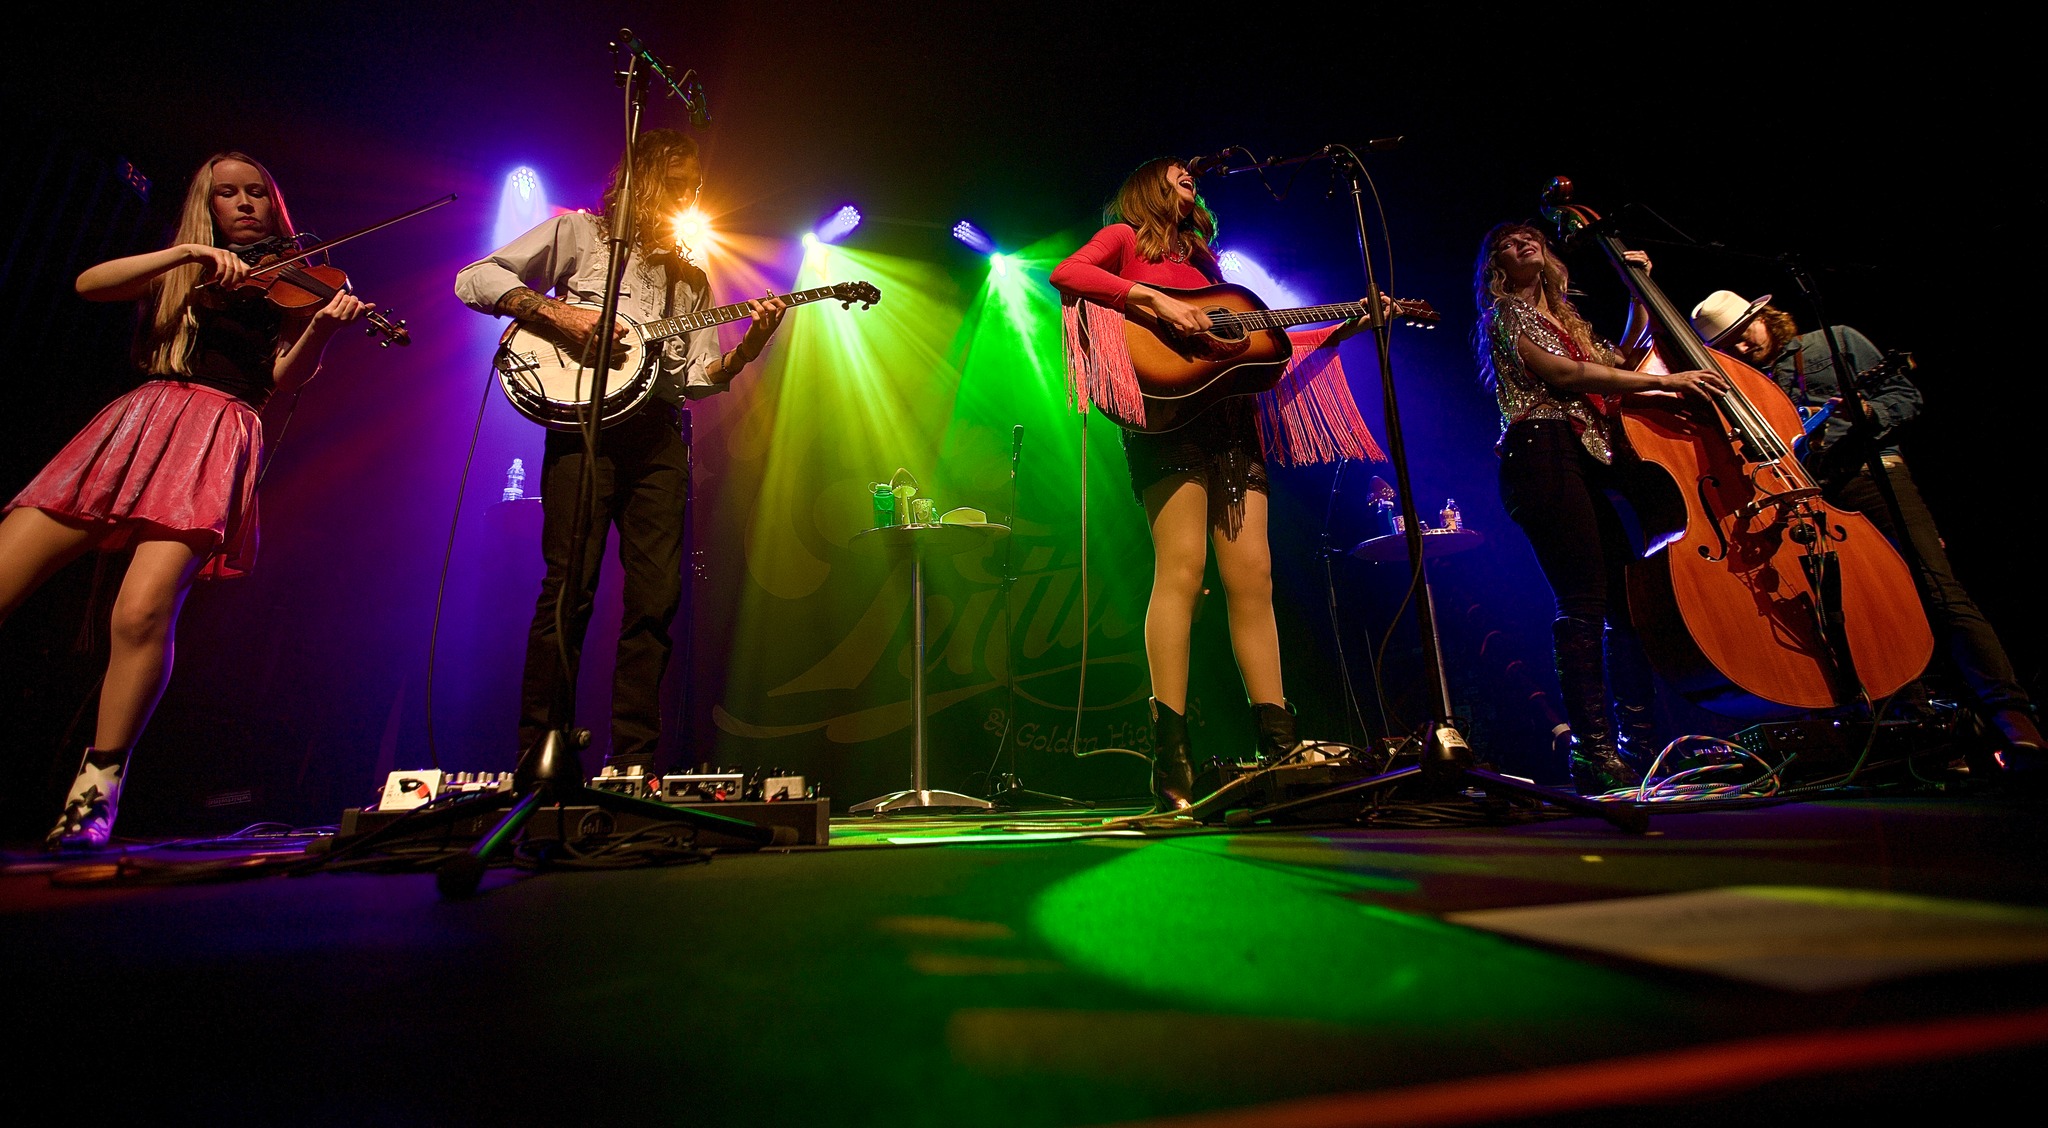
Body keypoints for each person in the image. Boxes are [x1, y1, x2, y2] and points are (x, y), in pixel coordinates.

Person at [1, 151, 370, 848]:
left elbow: (286, 380)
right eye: (227, 194)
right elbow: (88, 284)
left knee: (140, 612)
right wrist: (189, 255)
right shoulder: (184, 264)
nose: (244, 203)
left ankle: (95, 795)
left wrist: (323, 324)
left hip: (217, 431)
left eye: (257, 192)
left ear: (274, 203)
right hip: (137, 422)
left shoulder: (299, 276)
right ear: (208, 205)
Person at [455, 129, 785, 778]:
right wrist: (561, 317)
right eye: (677, 182)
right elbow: (476, 279)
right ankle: (539, 760)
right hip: (583, 431)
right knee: (568, 591)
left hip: (659, 436)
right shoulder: (578, 235)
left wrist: (751, 347)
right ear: (637, 179)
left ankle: (633, 762)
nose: (687, 195)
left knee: (656, 599)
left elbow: (697, 376)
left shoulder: (689, 276)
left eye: (694, 185)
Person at [1050, 157, 1375, 811]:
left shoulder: (1209, 261)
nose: (1188, 173)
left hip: (1230, 419)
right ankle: (1170, 755)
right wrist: (1150, 297)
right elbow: (1066, 274)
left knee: (1253, 576)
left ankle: (1278, 743)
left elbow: (1255, 346)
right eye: (1176, 170)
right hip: (1166, 418)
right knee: (1182, 569)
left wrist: (1346, 323)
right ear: (1148, 185)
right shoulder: (1122, 239)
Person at [1690, 291, 2044, 765]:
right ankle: (1911, 731)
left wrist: (1865, 414)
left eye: (1742, 333)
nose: (1740, 348)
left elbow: (1904, 395)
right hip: (1807, 495)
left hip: (1870, 475)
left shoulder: (1834, 342)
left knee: (1937, 590)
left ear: (1762, 316)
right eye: (1727, 344)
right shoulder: (1739, 380)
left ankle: (2012, 718)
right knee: (1859, 610)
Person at [1472, 223, 1726, 793]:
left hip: (1584, 457)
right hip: (1540, 451)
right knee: (1584, 600)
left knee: (1623, 604)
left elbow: (1631, 369)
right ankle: (1592, 750)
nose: (1522, 244)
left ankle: (1638, 747)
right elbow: (1566, 375)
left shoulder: (1574, 322)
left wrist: (1638, 289)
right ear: (1497, 270)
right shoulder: (1507, 313)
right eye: (1507, 245)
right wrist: (1671, 383)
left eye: (1529, 237)